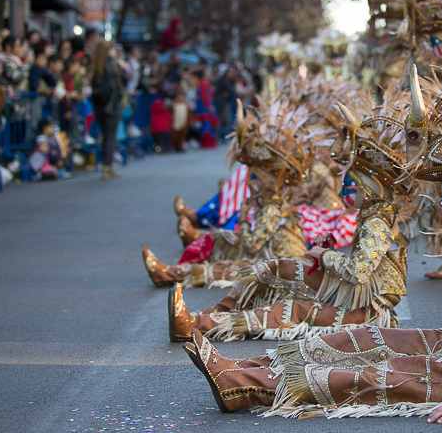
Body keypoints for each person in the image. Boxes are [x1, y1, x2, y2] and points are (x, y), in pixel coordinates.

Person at [180, 46, 442, 420]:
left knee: (376, 371)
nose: (441, 203)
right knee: (359, 341)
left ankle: (243, 385)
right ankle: (244, 366)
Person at [167, 90, 416, 343]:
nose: (342, 190)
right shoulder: (371, 216)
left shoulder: (377, 222)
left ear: (370, 186)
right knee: (272, 269)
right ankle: (207, 315)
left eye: (349, 183)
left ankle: (198, 324)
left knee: (291, 308)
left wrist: (325, 256)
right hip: (353, 293)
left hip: (367, 311)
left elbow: (357, 273)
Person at [90, 40, 125, 179]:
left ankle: (106, 165)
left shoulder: (96, 67)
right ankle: (108, 166)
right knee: (110, 136)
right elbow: (118, 86)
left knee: (106, 136)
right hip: (111, 106)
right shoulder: (112, 65)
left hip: (99, 107)